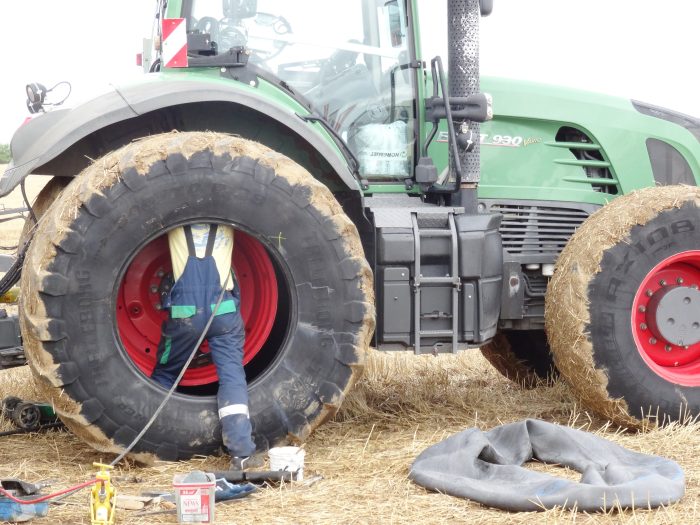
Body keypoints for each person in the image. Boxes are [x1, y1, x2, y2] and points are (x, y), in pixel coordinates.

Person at [150, 223, 262, 470]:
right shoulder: (227, 222)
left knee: (166, 373)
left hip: (184, 315)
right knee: (232, 378)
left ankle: (149, 443)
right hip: (224, 312)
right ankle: (242, 453)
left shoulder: (175, 224)